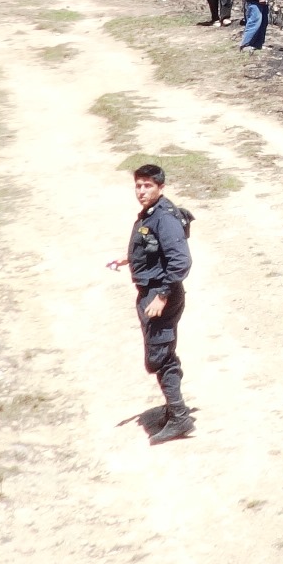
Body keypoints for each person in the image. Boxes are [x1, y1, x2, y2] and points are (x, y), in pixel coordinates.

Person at [108, 163, 194, 443]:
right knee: (163, 353)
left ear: (161, 187)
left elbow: (180, 261)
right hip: (153, 292)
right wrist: (130, 258)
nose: (141, 191)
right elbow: (154, 248)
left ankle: (179, 417)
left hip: (161, 296)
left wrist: (162, 296)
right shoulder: (152, 213)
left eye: (148, 186)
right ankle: (175, 409)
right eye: (138, 185)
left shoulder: (164, 218)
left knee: (160, 356)